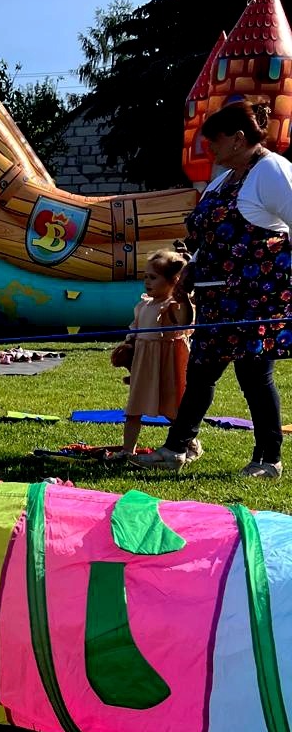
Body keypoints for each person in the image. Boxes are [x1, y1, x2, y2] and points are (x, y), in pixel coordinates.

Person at [134, 100, 292, 479]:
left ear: (239, 139)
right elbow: (210, 237)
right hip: (218, 298)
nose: (209, 149)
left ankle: (268, 459)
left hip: (257, 299)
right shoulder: (224, 179)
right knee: (202, 372)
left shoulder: (272, 171)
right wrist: (189, 275)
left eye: (215, 141)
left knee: (254, 376)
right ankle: (177, 448)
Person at [111, 250, 194, 457]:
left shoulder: (172, 305)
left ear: (173, 280)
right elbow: (135, 331)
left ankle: (191, 444)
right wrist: (128, 347)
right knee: (134, 408)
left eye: (154, 277)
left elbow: (185, 321)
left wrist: (184, 299)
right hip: (144, 364)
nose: (147, 282)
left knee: (171, 410)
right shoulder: (143, 304)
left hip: (165, 364)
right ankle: (127, 450)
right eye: (146, 277)